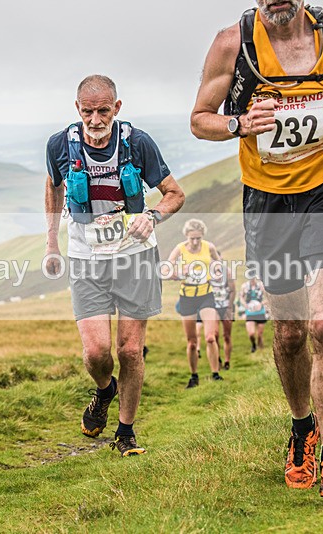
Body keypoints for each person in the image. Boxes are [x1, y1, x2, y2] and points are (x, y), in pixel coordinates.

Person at [191, 0, 323, 497]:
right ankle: (302, 427)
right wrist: (238, 124)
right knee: (292, 331)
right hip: (268, 202)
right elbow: (199, 119)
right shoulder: (232, 44)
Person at [44, 75, 185, 456]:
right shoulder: (60, 144)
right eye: (87, 111)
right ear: (77, 110)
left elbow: (175, 194)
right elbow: (54, 185)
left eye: (103, 110)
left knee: (130, 351)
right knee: (96, 353)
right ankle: (105, 390)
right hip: (86, 258)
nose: (95, 119)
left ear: (117, 108)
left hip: (135, 256)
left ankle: (125, 432)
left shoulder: (138, 143)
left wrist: (152, 216)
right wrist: (51, 241)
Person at [167, 219, 224, 388]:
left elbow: (218, 263)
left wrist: (218, 272)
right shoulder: (180, 249)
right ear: (187, 236)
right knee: (192, 341)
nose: (195, 241)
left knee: (211, 337)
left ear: (202, 236)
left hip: (206, 294)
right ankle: (194, 376)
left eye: (198, 238)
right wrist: (179, 272)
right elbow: (166, 270)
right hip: (187, 297)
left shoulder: (209, 247)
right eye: (192, 238)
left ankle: (215, 374)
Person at [197, 266, 237, 370]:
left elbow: (233, 290)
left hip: (226, 307)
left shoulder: (227, 273)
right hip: (213, 307)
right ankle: (217, 357)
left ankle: (227, 361)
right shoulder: (207, 275)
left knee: (227, 335)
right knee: (214, 335)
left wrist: (229, 307)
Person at [241, 277, 268, 353]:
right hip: (250, 312)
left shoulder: (261, 286)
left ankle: (261, 349)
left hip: (260, 312)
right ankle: (253, 344)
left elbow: (268, 297)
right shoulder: (244, 286)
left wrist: (261, 304)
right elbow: (241, 297)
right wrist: (245, 304)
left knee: (260, 334)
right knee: (251, 334)